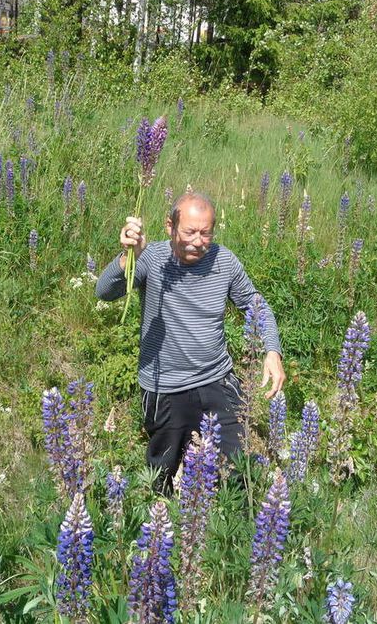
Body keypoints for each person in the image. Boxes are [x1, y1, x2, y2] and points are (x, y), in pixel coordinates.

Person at [95, 190, 285, 495]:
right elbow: (104, 291)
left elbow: (255, 305)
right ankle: (165, 532)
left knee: (238, 470)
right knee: (162, 479)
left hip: (217, 381)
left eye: (206, 233)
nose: (198, 240)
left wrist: (272, 351)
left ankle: (229, 533)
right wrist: (128, 256)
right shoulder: (152, 258)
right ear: (169, 226)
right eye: (190, 231)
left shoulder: (224, 260)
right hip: (165, 388)